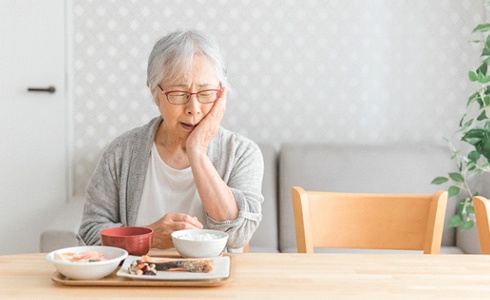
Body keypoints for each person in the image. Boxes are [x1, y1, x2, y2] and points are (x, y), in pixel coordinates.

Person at [77, 29, 264, 252]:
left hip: (211, 284)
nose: (193, 109)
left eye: (205, 93)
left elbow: (238, 235)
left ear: (221, 94)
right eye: (178, 93)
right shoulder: (121, 152)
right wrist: (149, 237)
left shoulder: (243, 153)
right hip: (135, 283)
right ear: (155, 93)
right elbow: (89, 234)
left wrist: (197, 151)